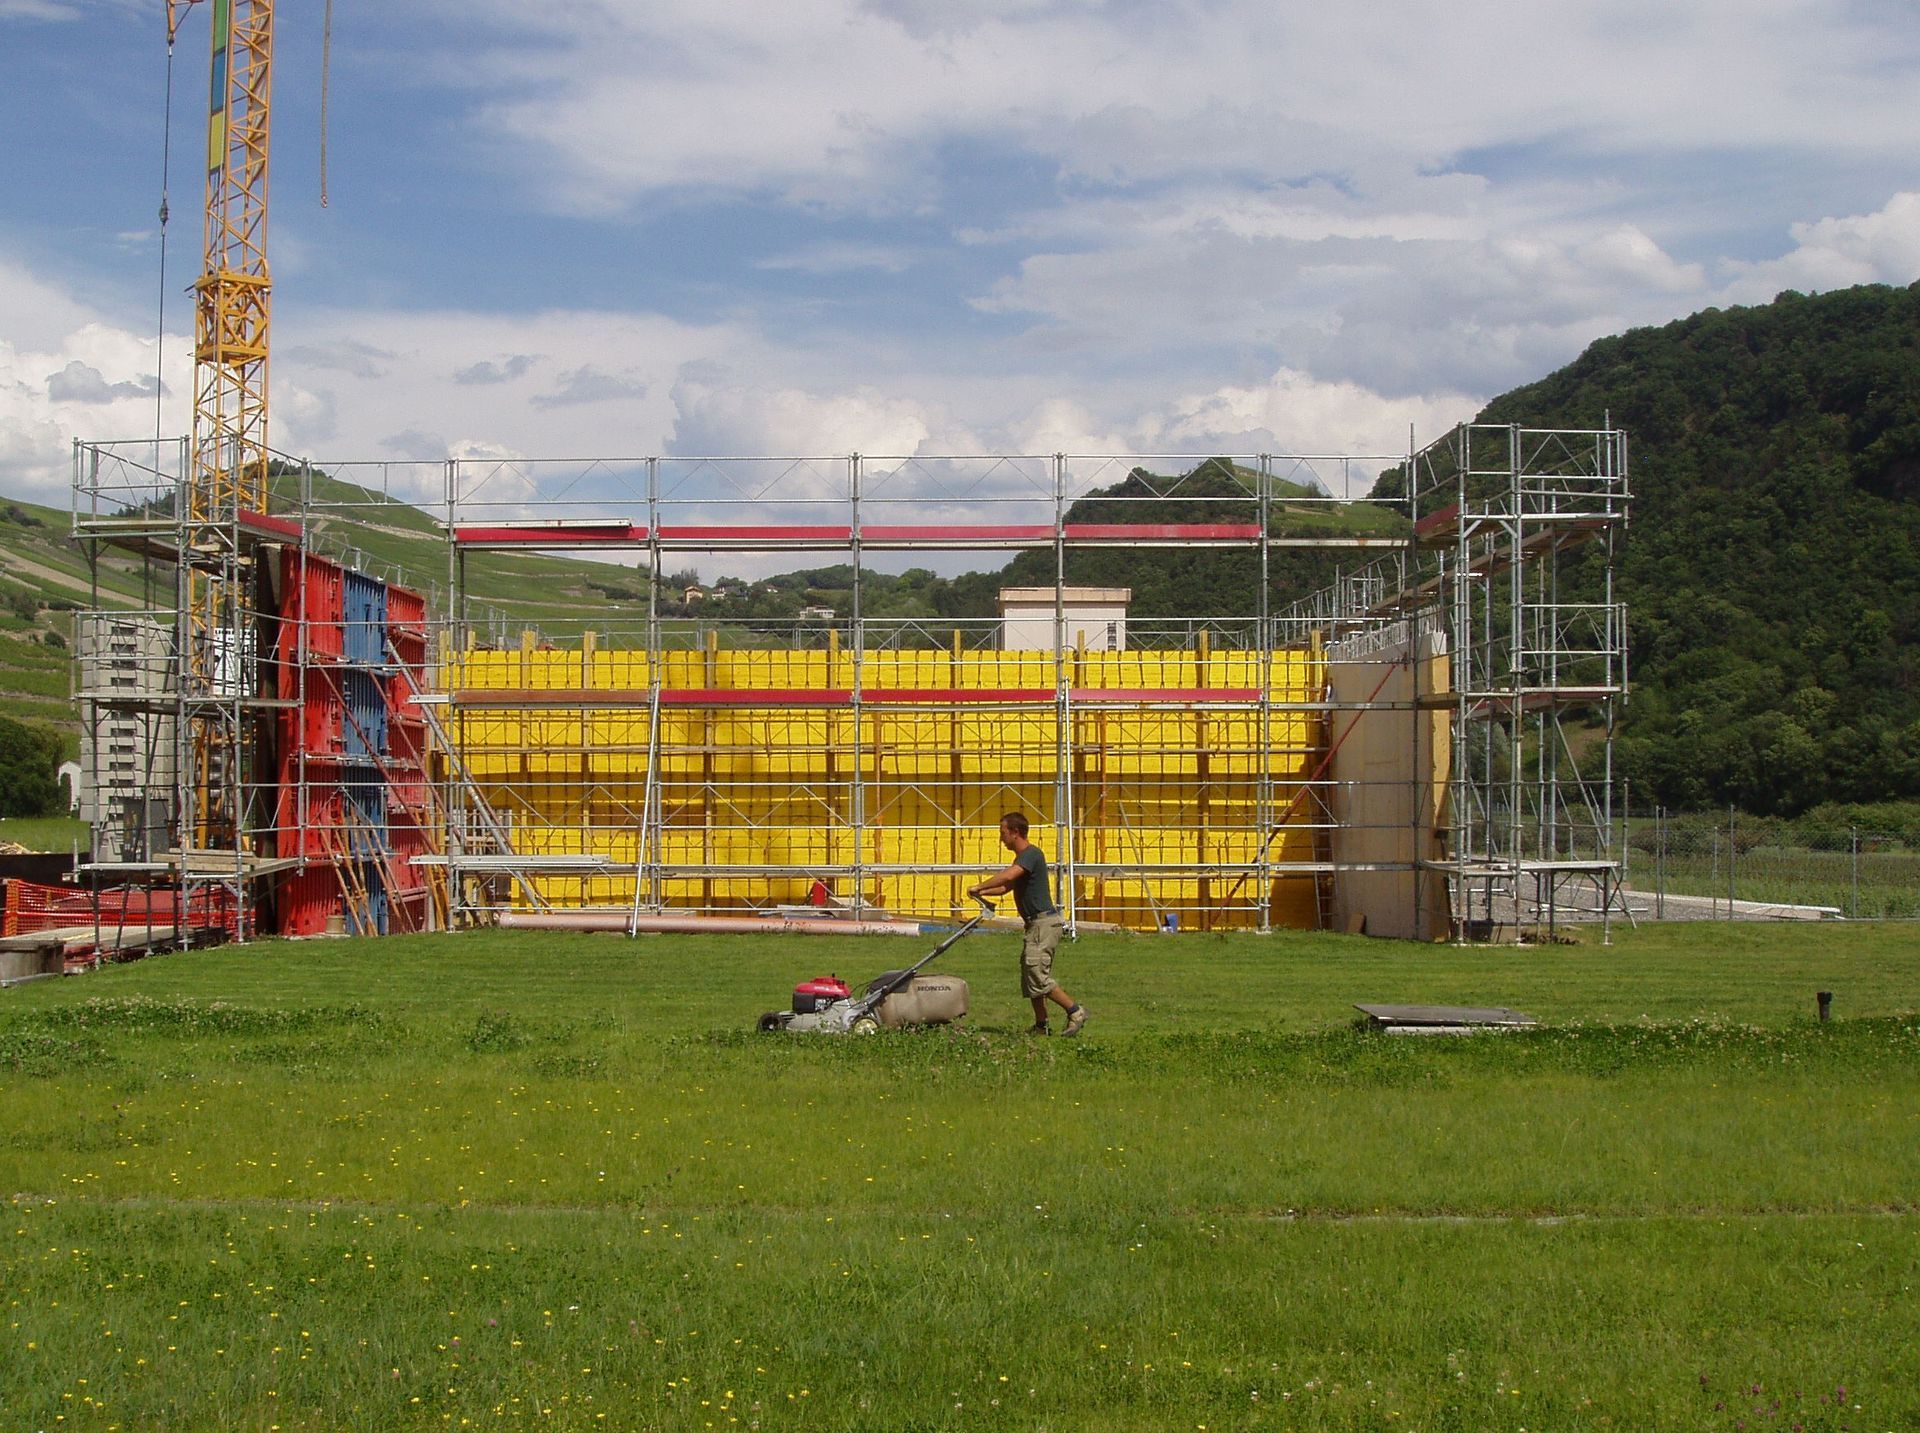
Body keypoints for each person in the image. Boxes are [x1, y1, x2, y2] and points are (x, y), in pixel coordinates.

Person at [967, 812, 1088, 1036]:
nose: (1001, 838)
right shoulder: (1022, 859)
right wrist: (980, 891)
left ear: (1015, 832)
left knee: (1037, 974)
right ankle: (1042, 1027)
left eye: (1003, 833)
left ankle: (1075, 1010)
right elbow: (1005, 888)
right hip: (1034, 925)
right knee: (1030, 976)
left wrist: (980, 885)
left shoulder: (1031, 855)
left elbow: (1007, 877)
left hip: (1044, 923)